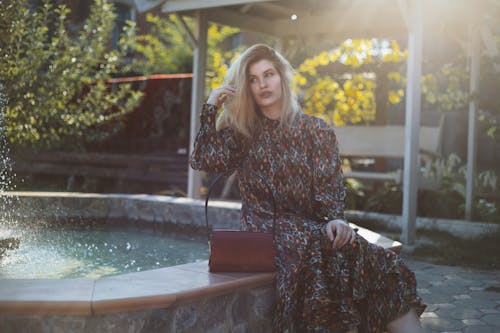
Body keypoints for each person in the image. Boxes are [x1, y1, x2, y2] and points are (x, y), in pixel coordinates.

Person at [190, 43, 426, 333]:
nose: (263, 84)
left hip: (311, 228)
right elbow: (202, 159)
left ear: (282, 78)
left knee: (379, 262)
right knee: (321, 250)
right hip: (265, 231)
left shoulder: (316, 130)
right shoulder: (243, 134)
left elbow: (330, 185)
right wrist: (211, 106)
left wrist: (337, 218)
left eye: (269, 74)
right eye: (253, 79)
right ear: (245, 87)